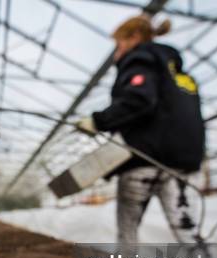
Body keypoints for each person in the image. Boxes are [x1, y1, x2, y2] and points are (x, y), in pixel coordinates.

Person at [76, 15, 206, 246]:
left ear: (134, 37)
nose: (117, 53)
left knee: (128, 235)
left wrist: (97, 121)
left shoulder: (140, 59)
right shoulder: (181, 77)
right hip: (182, 164)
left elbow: (139, 100)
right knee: (188, 232)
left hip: (144, 159)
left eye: (119, 45)